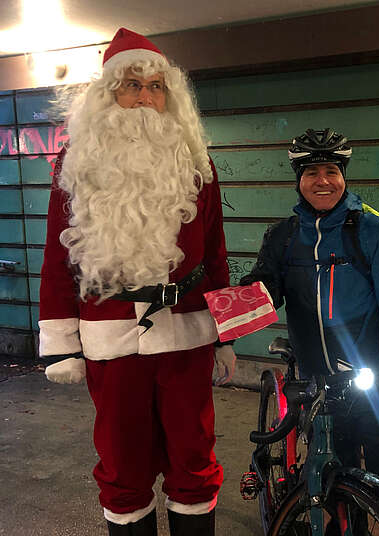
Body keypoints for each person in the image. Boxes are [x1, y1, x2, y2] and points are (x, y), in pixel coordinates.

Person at [38, 28, 236, 536]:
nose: (146, 98)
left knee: (193, 461)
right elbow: (57, 260)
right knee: (123, 467)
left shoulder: (198, 164)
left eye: (156, 87)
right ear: (109, 95)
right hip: (110, 338)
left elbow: (216, 255)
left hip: (187, 333)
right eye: (132, 86)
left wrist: (227, 335)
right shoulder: (75, 165)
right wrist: (63, 346)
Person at [240, 128, 379, 534]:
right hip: (320, 382)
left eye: (331, 170)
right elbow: (262, 293)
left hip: (374, 379)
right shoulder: (283, 237)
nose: (322, 180)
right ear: (298, 179)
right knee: (331, 482)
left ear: (344, 175)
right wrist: (216, 320)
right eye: (311, 172)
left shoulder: (377, 232)